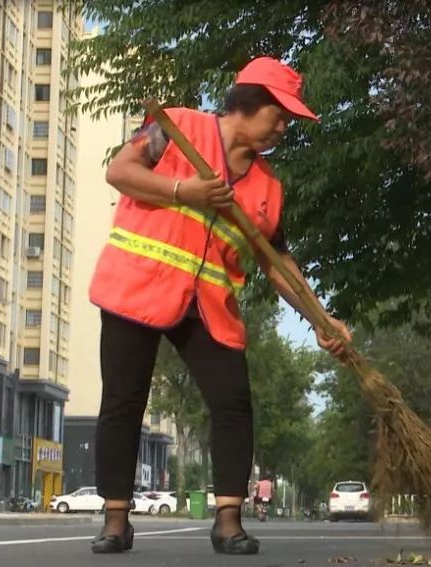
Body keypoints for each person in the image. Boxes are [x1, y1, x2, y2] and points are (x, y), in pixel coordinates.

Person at [88, 56, 351, 555]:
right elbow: (119, 172)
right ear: (251, 104)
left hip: (206, 305)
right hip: (136, 286)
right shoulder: (177, 127)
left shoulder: (267, 187)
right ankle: (116, 520)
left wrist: (320, 316)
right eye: (279, 114)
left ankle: (228, 521)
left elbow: (277, 262)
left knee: (233, 402)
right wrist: (183, 190)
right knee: (123, 402)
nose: (282, 127)